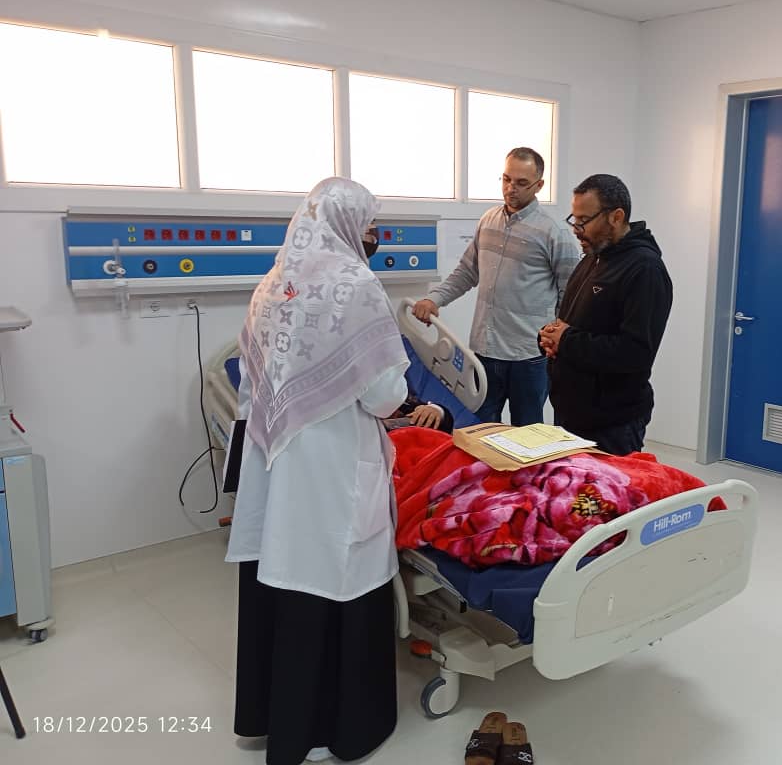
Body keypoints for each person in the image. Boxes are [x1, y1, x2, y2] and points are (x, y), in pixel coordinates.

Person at [225, 178, 408, 765]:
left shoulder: (273, 282)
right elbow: (384, 394)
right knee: (335, 578)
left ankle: (277, 721)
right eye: (370, 225)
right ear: (349, 224)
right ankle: (336, 730)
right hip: (332, 465)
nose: (373, 236)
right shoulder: (358, 284)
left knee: (281, 580)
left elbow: (251, 377)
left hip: (275, 462)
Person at [412, 147, 580, 425]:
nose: (511, 188)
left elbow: (571, 294)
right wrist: (434, 299)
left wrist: (557, 341)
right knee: (479, 429)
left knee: (527, 434)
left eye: (522, 182)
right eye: (506, 179)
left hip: (528, 357)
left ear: (539, 185)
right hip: (484, 352)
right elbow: (467, 271)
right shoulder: (488, 221)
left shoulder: (554, 232)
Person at [539, 174, 673, 456]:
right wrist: (551, 338)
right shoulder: (592, 257)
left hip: (611, 425)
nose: (576, 229)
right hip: (572, 414)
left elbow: (636, 353)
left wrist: (567, 341)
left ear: (616, 217)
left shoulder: (645, 269)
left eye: (584, 220)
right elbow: (576, 324)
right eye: (574, 219)